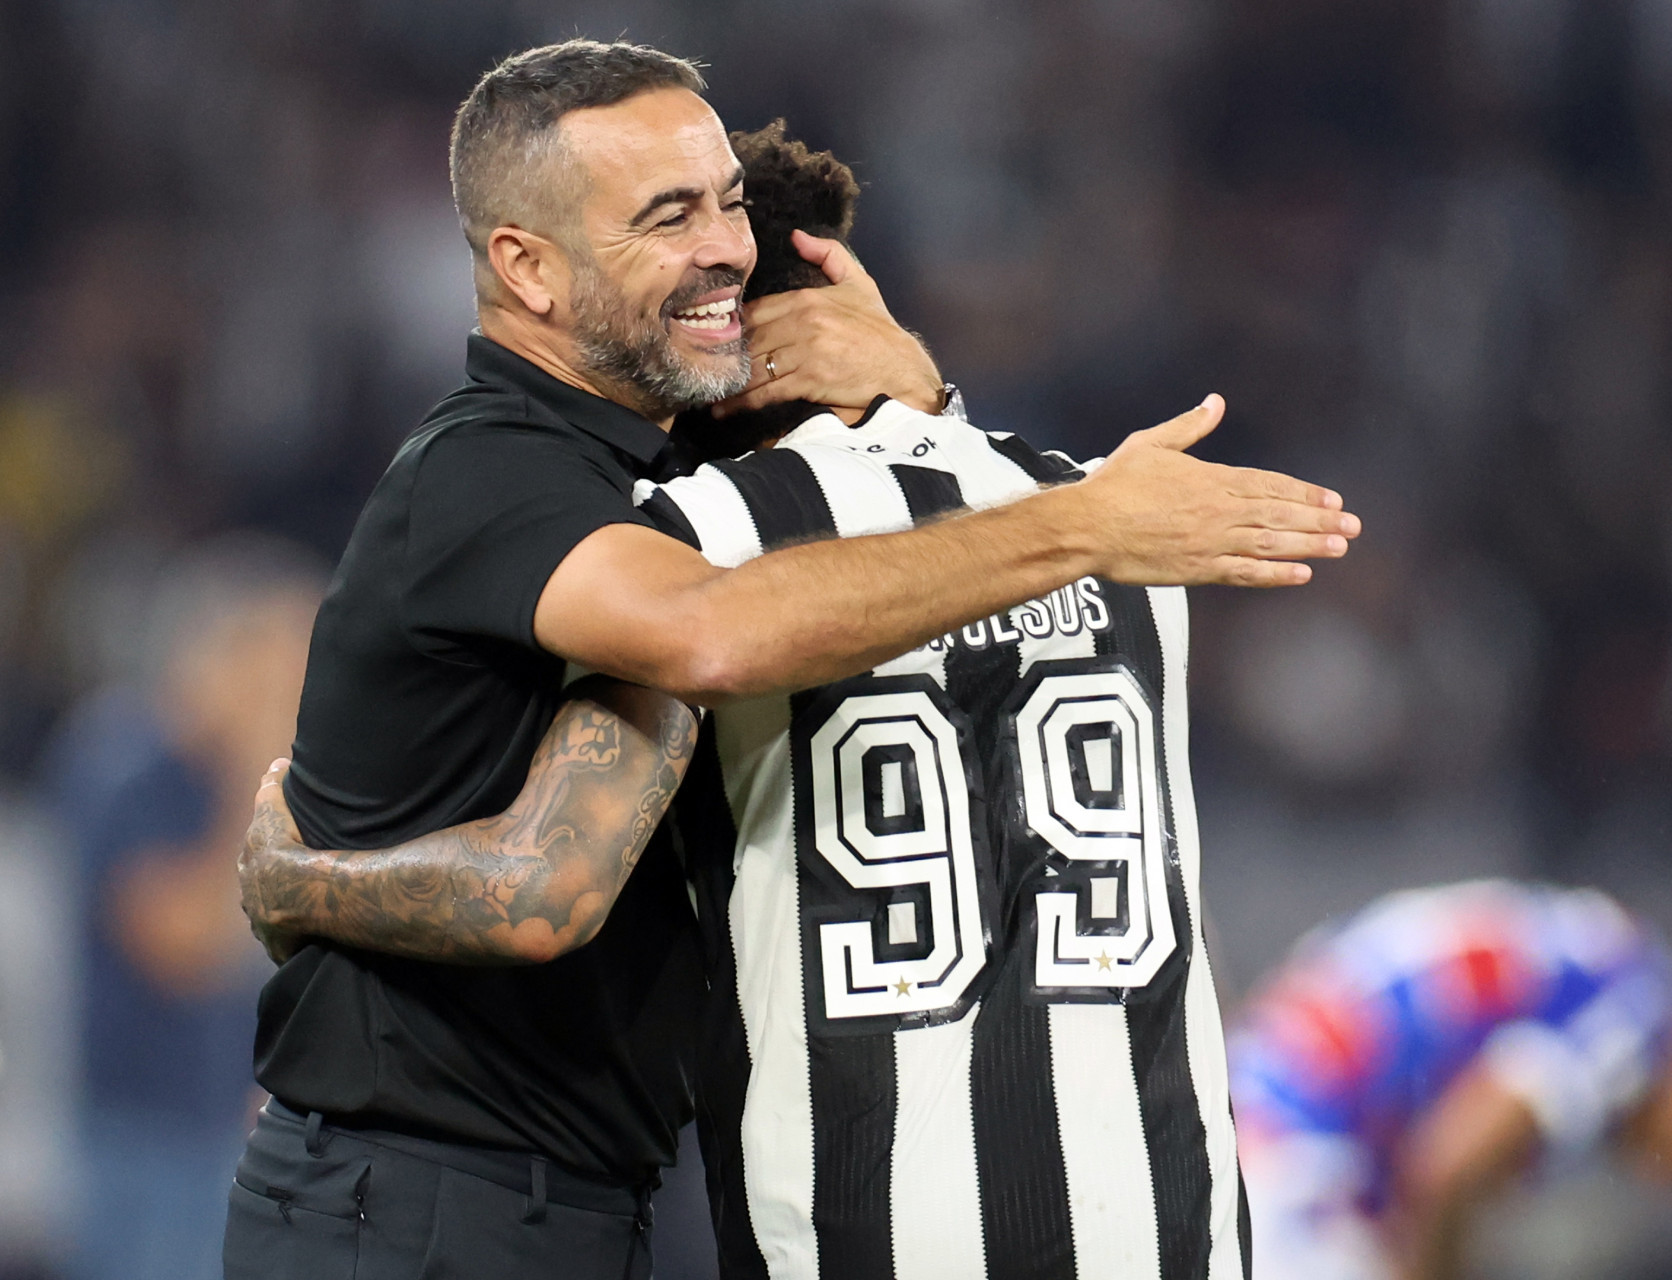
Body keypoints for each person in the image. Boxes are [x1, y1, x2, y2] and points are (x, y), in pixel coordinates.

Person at [227, 37, 1358, 1280]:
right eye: (670, 216)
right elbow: (696, 648)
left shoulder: (695, 500)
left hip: (584, 1196)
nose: (720, 244)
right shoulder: (500, 473)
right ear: (526, 267)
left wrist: (924, 404)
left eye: (726, 206)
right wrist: (301, 882)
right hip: (417, 1191)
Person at [1226, 879, 1672, 1280]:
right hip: (1297, 1140)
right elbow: (1448, 1160)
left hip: (1270, 1088)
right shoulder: (1632, 1025)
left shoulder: (1623, 967)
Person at [35, 537, 322, 1280]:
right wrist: (256, 762)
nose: (293, 690)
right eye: (275, 663)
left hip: (230, 1136)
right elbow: (182, 946)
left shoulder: (254, 779)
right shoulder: (124, 756)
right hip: (134, 1142)